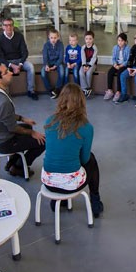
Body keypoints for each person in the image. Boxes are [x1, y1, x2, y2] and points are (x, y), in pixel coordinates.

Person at [42, 83, 104, 218]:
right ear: (82, 102)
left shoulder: (49, 121)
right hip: (71, 185)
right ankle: (95, 201)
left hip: (47, 181)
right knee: (92, 160)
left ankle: (57, 201)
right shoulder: (86, 127)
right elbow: (84, 159)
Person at [0, 62, 46, 178]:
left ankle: (13, 162)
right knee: (42, 141)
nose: (11, 73)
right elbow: (13, 128)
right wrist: (33, 133)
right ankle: (18, 168)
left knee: (27, 127)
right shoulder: (2, 101)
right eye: (6, 72)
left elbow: (4, 115)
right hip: (2, 142)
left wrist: (22, 118)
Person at [0, 17, 38, 100]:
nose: (8, 27)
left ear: (13, 26)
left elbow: (25, 52)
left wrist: (20, 64)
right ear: (2, 27)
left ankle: (31, 91)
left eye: (10, 25)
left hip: (19, 60)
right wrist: (11, 65)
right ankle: (6, 93)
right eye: (6, 25)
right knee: (2, 69)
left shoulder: (19, 36)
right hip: (7, 62)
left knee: (30, 67)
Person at [104, 32, 130, 102]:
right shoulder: (115, 48)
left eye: (122, 41)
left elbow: (127, 60)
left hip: (124, 65)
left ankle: (118, 92)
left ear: (125, 41)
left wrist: (121, 66)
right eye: (119, 40)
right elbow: (113, 58)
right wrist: (115, 64)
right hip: (117, 64)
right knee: (110, 72)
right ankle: (110, 90)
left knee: (119, 73)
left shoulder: (127, 49)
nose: (120, 42)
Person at [41, 28, 65, 99]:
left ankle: (57, 89)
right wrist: (46, 65)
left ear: (58, 37)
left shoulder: (60, 44)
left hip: (57, 62)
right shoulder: (46, 45)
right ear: (49, 37)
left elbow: (61, 58)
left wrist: (55, 66)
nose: (53, 39)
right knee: (43, 73)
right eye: (51, 38)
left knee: (62, 71)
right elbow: (45, 57)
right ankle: (50, 90)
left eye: (55, 38)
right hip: (49, 62)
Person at [79, 30, 98, 97]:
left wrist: (89, 66)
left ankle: (88, 88)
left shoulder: (94, 48)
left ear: (93, 39)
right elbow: (83, 57)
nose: (88, 41)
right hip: (85, 63)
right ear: (84, 39)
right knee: (81, 72)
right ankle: (85, 89)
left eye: (90, 39)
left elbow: (94, 58)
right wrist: (84, 65)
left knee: (88, 73)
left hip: (92, 64)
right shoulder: (83, 48)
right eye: (86, 39)